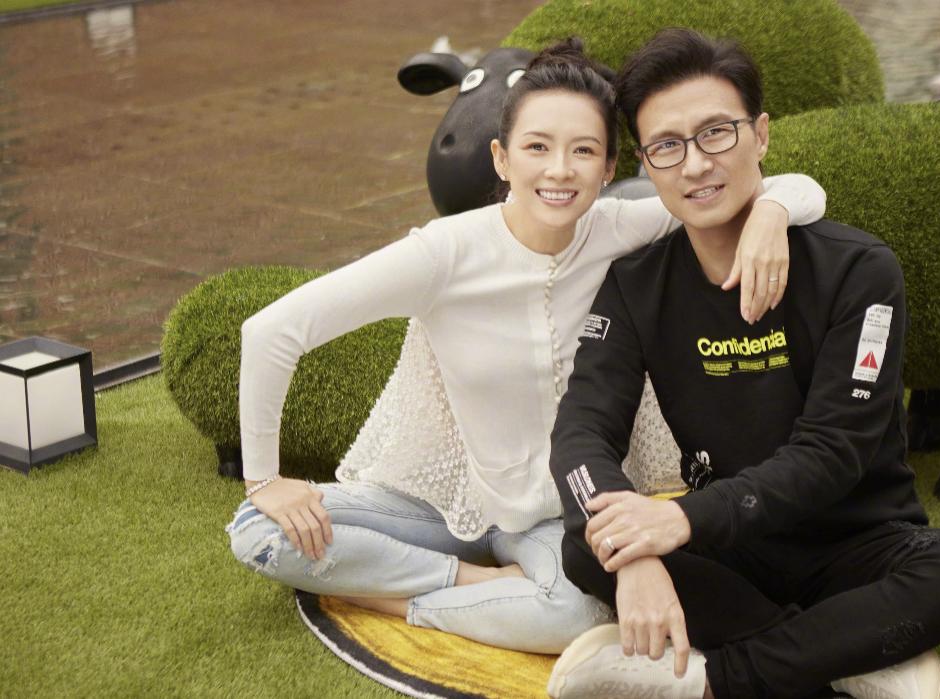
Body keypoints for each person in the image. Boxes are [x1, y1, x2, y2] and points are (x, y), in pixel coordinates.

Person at [225, 38, 826, 654]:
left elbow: (797, 185)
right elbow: (271, 332)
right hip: (452, 505)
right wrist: (263, 479)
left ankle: (400, 598)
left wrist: (771, 213)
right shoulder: (442, 254)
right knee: (258, 531)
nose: (559, 170)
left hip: (562, 516)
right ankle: (477, 586)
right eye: (537, 147)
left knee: (580, 612)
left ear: (610, 167)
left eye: (583, 150)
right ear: (502, 158)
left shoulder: (621, 228)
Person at [547, 28, 940, 698]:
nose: (695, 164)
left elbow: (833, 452)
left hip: (858, 543)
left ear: (759, 135)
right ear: (646, 162)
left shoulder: (857, 268)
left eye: (716, 133)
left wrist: (681, 518)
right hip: (735, 550)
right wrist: (632, 550)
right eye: (667, 146)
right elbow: (580, 431)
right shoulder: (635, 283)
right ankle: (846, 655)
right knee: (585, 545)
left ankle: (717, 679)